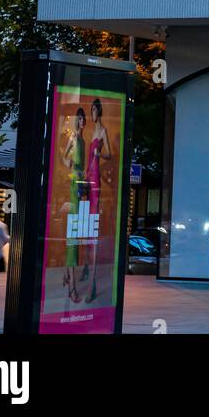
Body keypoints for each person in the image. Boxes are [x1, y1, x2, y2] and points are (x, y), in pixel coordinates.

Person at [85, 96, 112, 304]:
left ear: (99, 111)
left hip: (95, 180)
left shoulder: (102, 131)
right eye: (91, 110)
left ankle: (92, 280)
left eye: (94, 110)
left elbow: (109, 155)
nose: (92, 113)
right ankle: (86, 269)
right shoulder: (90, 131)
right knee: (86, 226)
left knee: (92, 226)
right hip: (86, 178)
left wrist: (98, 153)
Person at [62, 106, 87, 301]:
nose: (81, 122)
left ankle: (67, 274)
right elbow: (64, 158)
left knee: (76, 232)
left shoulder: (83, 141)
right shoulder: (73, 138)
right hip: (74, 184)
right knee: (73, 232)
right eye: (79, 119)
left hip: (80, 184)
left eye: (83, 119)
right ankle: (72, 286)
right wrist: (71, 166)